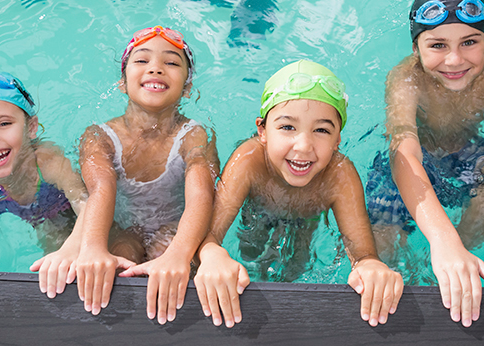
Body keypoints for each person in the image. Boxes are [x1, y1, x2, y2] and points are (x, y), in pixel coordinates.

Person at [194, 60, 403, 328]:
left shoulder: (340, 174)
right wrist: (212, 254)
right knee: (249, 251)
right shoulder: (247, 161)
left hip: (307, 216)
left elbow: (363, 254)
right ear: (262, 131)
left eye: (321, 130)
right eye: (287, 127)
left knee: (295, 270)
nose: (303, 146)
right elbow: (209, 235)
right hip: (259, 206)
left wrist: (371, 267)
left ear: (338, 139)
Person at [75, 26, 219, 325]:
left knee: (171, 261)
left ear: (187, 87)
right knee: (115, 259)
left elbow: (202, 194)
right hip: (123, 228)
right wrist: (92, 248)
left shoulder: (194, 135)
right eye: (142, 60)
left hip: (174, 228)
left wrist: (180, 254)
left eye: (171, 62)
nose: (156, 67)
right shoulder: (98, 136)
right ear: (122, 83)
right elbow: (100, 189)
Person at [366, 0, 484, 328]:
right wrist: (441, 239)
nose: (455, 59)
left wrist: (454, 244)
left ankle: (455, 269)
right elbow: (404, 151)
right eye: (437, 45)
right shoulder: (406, 78)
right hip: (414, 159)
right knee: (380, 244)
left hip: (469, 155)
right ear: (416, 48)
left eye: (470, 42)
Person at [0, 72, 87, 295]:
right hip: (37, 218)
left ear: (31, 128)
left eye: (4, 123)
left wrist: (74, 246)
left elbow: (87, 204)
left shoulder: (47, 161)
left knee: (60, 248)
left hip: (64, 213)